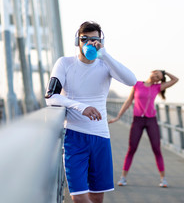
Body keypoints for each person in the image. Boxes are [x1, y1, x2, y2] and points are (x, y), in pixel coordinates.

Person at [45, 21, 137, 203]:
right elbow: (51, 96)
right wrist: (81, 107)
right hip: (74, 137)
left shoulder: (105, 65)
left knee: (97, 196)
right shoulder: (65, 63)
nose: (88, 43)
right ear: (76, 41)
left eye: (93, 39)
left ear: (100, 41)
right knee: (78, 197)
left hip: (101, 137)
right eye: (84, 39)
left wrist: (105, 55)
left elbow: (132, 81)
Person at [108, 70, 178, 188]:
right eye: (155, 74)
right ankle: (123, 178)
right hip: (138, 121)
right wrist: (118, 116)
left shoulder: (157, 87)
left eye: (158, 78)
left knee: (156, 149)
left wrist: (165, 72)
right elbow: (129, 101)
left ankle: (163, 179)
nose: (155, 77)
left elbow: (175, 80)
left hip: (151, 121)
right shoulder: (137, 84)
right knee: (132, 149)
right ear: (152, 72)